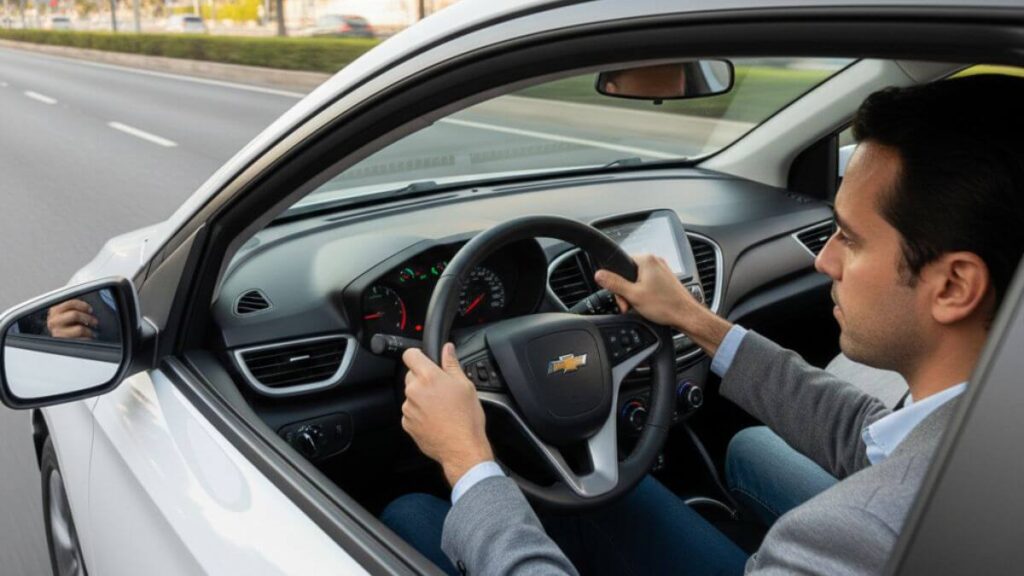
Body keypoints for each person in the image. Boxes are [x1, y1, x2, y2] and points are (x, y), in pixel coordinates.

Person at [382, 74, 1024, 575]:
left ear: (954, 286)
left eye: (850, 239)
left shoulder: (851, 535)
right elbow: (869, 440)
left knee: (411, 516)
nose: (823, 259)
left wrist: (468, 461)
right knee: (625, 492)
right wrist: (695, 321)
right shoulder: (977, 416)